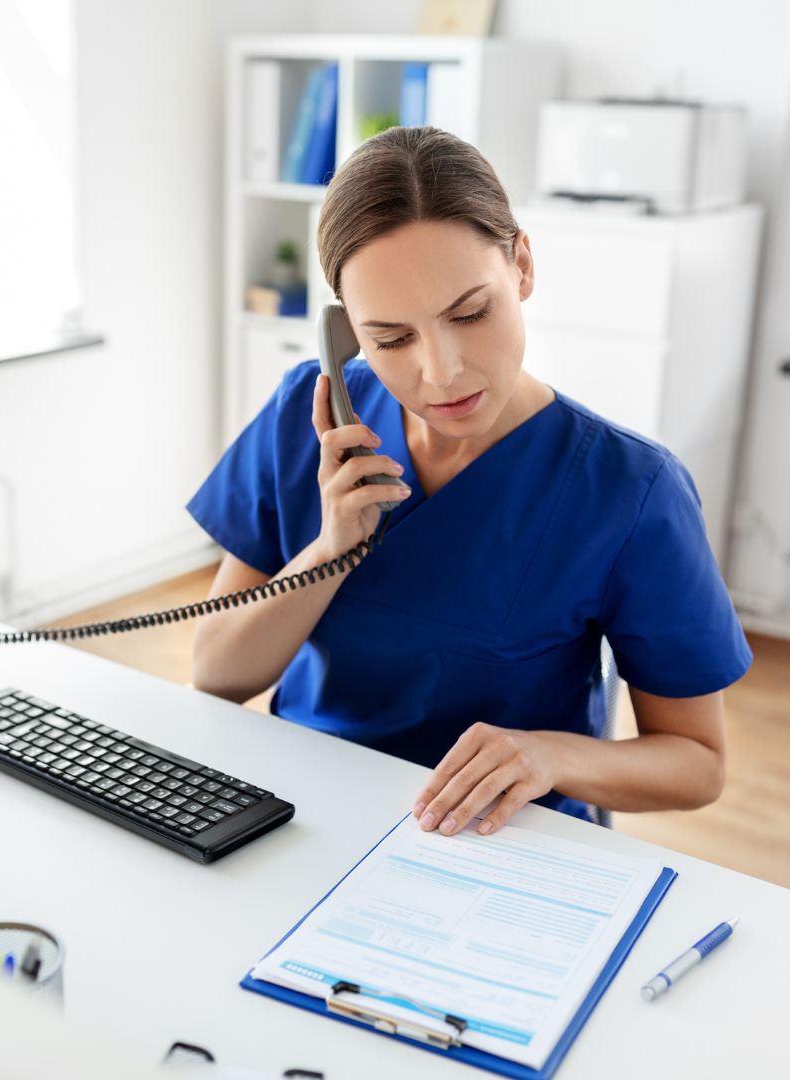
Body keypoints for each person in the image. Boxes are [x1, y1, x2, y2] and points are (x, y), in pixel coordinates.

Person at [186, 126, 751, 836]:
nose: (442, 371)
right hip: (307, 816)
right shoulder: (308, 419)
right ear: (346, 332)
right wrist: (330, 550)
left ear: (522, 266)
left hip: (499, 838)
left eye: (470, 313)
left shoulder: (630, 489)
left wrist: (548, 755)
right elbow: (217, 674)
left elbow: (698, 764)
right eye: (391, 338)